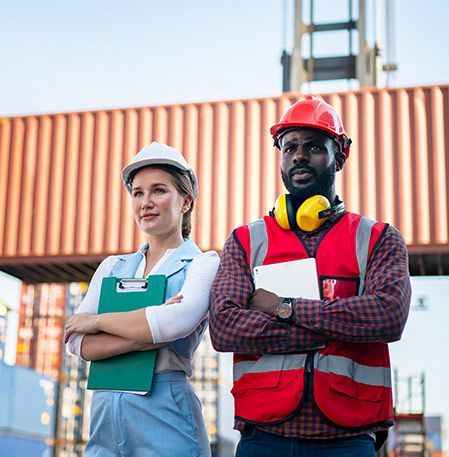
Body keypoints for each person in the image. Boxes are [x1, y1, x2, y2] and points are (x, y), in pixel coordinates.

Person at [209, 96, 411, 457]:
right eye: (289, 148)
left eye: (314, 146)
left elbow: (387, 316)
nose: (299, 156)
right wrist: (335, 326)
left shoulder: (378, 238)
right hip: (263, 436)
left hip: (349, 437)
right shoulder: (245, 240)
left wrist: (283, 308)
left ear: (341, 155)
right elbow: (224, 327)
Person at [64, 141, 219, 457]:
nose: (146, 202)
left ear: (185, 201)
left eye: (159, 191)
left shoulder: (203, 263)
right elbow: (79, 344)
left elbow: (177, 322)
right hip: (106, 415)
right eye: (138, 193)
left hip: (166, 412)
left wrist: (96, 322)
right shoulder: (113, 266)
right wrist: (149, 333)